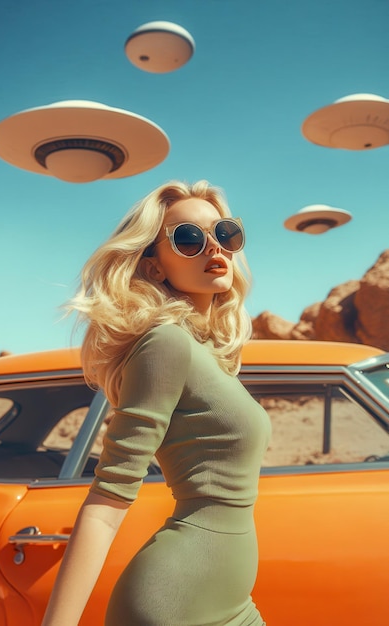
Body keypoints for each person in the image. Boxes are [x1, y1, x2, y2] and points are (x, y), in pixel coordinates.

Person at [41, 179, 271, 626]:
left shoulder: (205, 352)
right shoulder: (165, 344)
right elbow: (108, 500)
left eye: (224, 233)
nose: (214, 248)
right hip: (175, 604)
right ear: (154, 268)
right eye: (188, 239)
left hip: (231, 603)